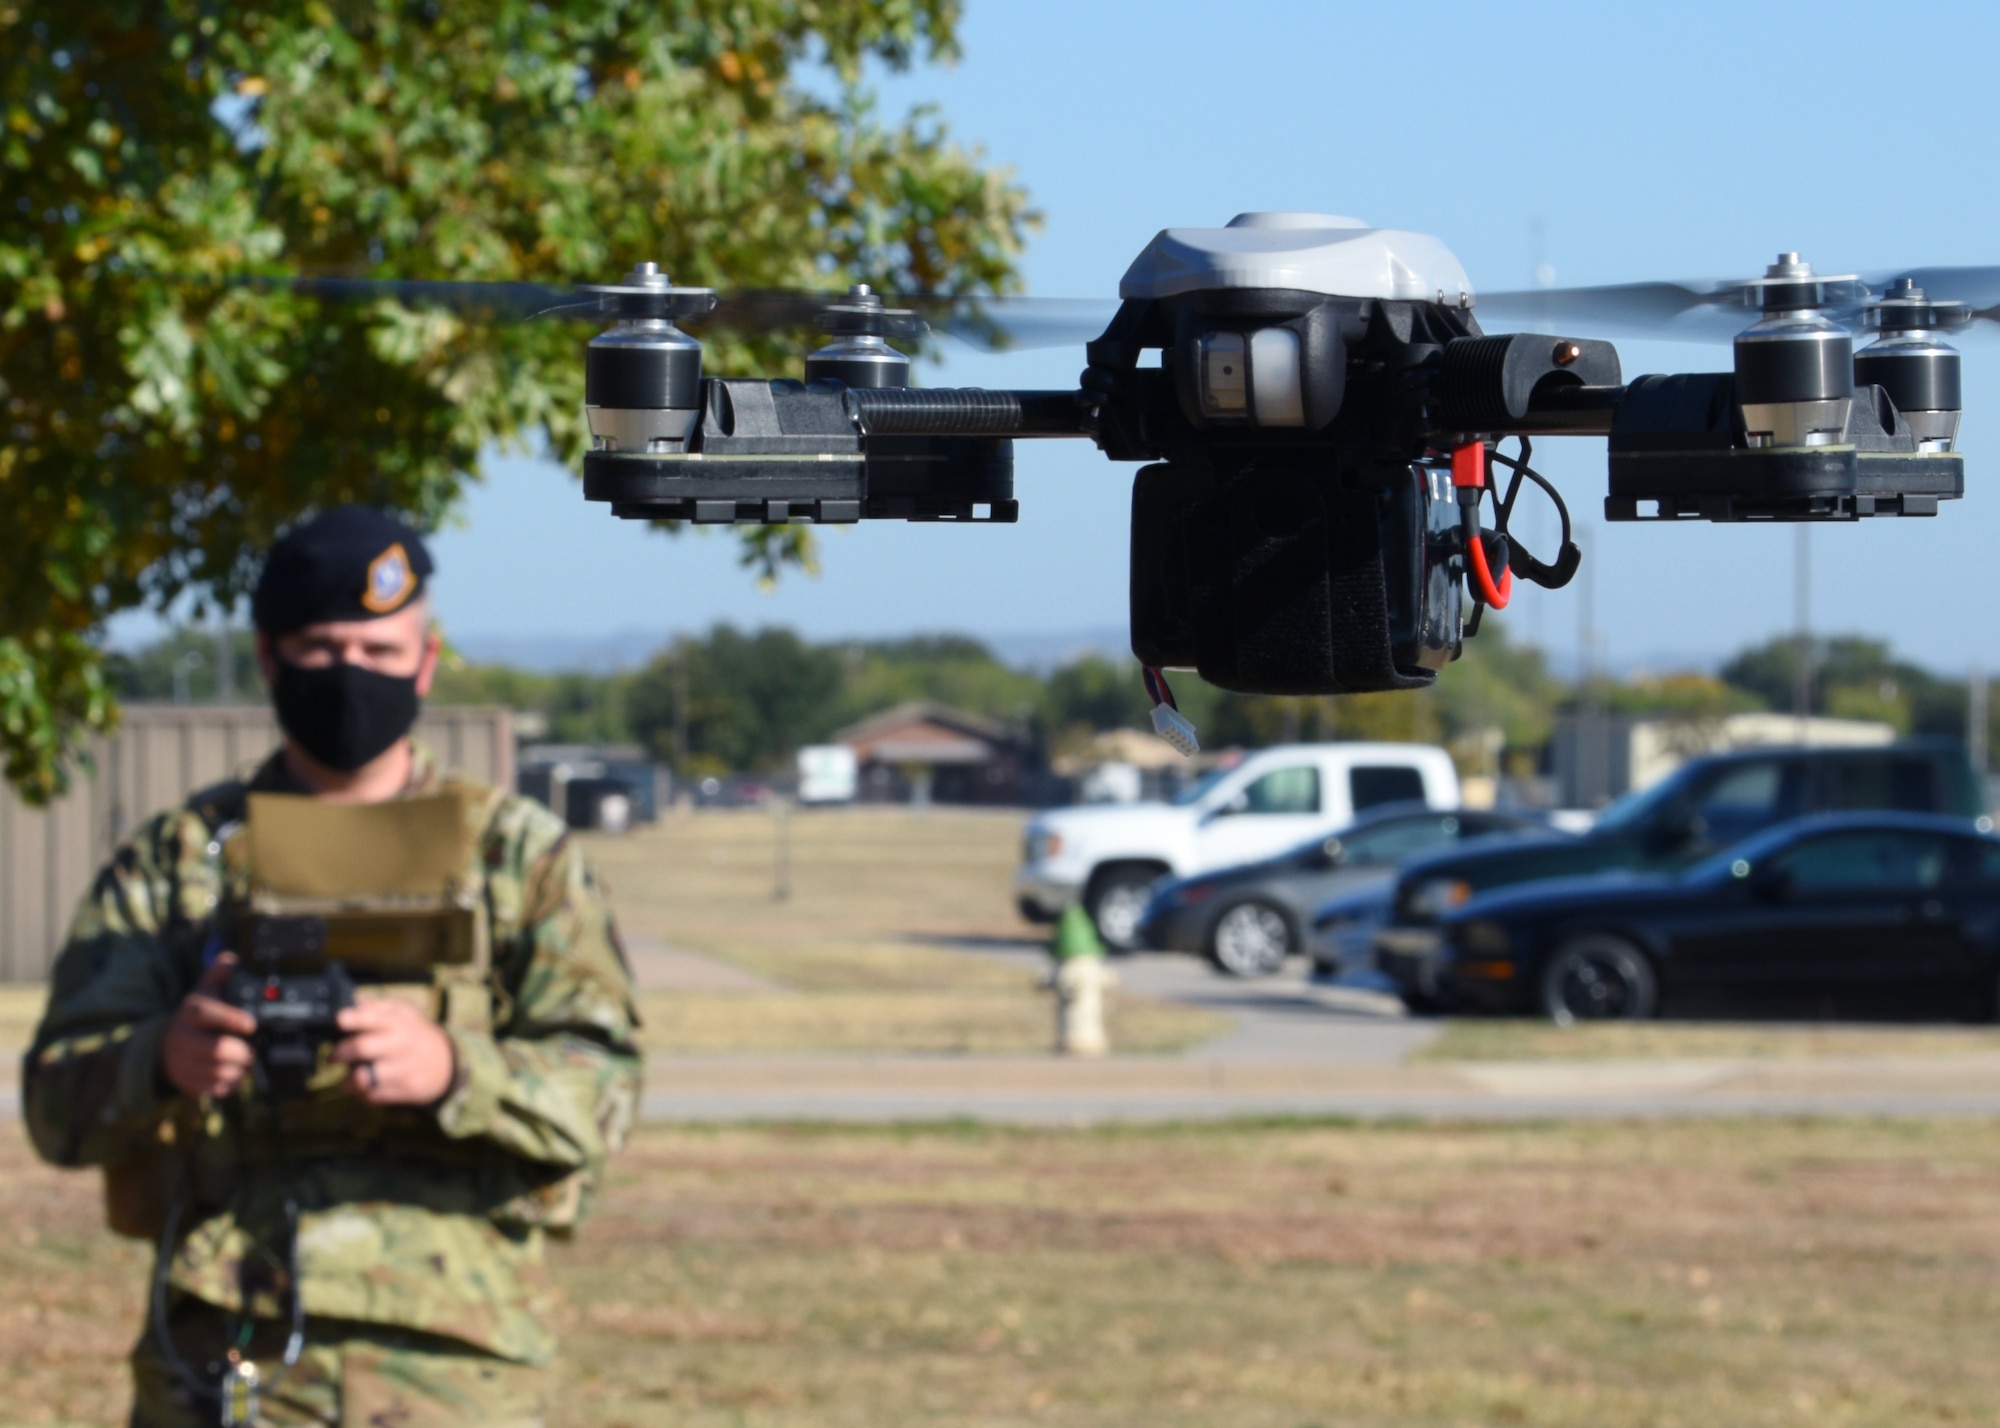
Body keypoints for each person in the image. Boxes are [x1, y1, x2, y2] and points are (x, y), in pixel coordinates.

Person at [23, 506, 643, 1426]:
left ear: (427, 660)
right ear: (269, 658)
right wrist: (161, 1059)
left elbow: (607, 1090)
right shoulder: (180, 859)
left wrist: (454, 1069)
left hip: (456, 1359)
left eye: (381, 650)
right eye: (320, 647)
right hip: (227, 1350)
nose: (352, 674)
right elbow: (50, 1106)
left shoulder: (518, 856)